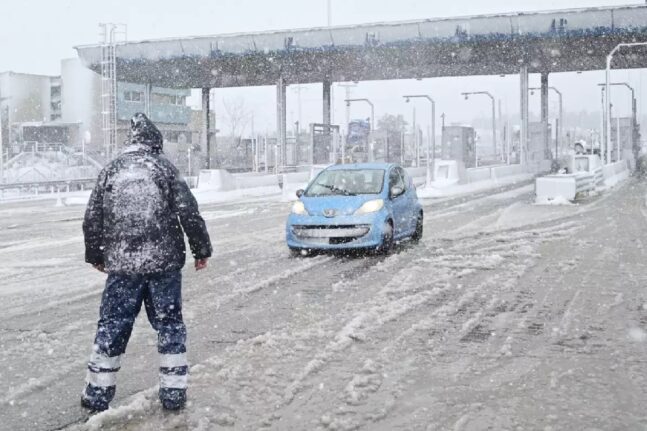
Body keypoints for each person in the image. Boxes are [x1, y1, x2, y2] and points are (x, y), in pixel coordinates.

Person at [80, 113, 212, 411]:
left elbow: (92, 219)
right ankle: (174, 393)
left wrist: (96, 256)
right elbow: (189, 212)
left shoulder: (110, 171)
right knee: (169, 327)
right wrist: (201, 250)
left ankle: (97, 395)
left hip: (123, 268)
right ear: (155, 143)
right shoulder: (164, 168)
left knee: (112, 327)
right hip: (164, 266)